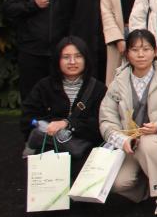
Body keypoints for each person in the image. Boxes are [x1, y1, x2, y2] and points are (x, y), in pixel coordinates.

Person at [99, 29, 157, 216]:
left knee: (148, 143)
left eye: (146, 49)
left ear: (155, 51)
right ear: (127, 53)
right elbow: (107, 118)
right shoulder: (118, 82)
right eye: (135, 50)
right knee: (118, 183)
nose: (140, 54)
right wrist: (121, 140)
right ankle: (151, 186)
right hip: (131, 145)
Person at [21, 36, 106, 171]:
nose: (72, 62)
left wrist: (68, 124)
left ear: (86, 59)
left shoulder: (98, 89)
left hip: (85, 150)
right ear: (57, 60)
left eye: (78, 56)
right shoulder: (44, 87)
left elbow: (101, 125)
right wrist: (50, 126)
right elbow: (27, 119)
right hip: (49, 148)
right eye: (66, 57)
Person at [4, 0, 75, 98]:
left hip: (61, 51)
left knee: (60, 96)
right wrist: (32, 5)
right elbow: (9, 10)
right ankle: (32, 116)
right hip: (31, 51)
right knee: (32, 96)